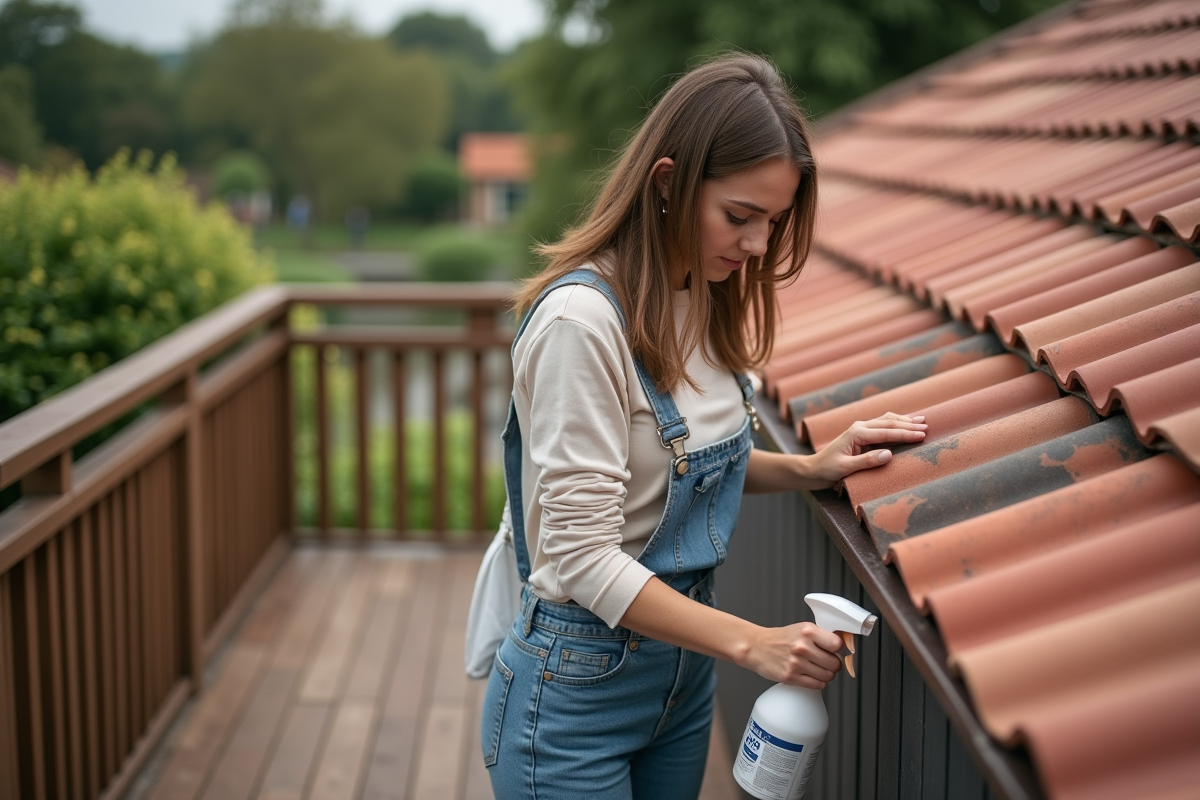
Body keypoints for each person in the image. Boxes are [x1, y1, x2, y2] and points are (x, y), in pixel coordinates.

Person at [481, 53, 927, 799]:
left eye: (773, 222)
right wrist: (755, 644)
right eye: (740, 216)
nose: (758, 245)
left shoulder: (702, 297)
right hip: (575, 693)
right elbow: (583, 557)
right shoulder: (580, 324)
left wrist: (812, 468)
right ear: (667, 183)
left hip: (682, 681)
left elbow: (681, 468)